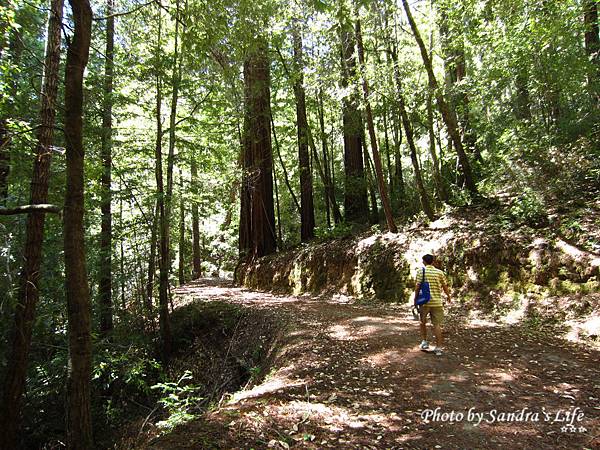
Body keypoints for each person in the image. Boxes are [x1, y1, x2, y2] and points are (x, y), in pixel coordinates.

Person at [414, 254, 451, 356]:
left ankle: (424, 342)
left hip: (424, 302)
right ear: (433, 262)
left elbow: (417, 287)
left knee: (422, 322)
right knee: (437, 325)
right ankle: (439, 348)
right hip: (437, 303)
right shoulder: (439, 272)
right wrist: (448, 296)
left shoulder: (421, 271)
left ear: (424, 262)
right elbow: (444, 286)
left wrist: (415, 299)